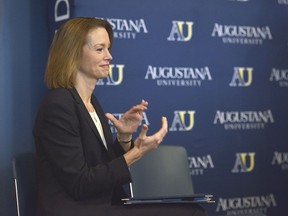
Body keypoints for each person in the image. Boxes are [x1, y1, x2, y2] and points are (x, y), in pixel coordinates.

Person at [33, 17, 207, 216]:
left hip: (102, 203)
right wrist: (136, 153)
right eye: (100, 49)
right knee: (192, 213)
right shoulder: (58, 105)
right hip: (74, 209)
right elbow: (80, 183)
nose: (109, 56)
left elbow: (101, 168)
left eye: (108, 48)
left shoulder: (91, 102)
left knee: (192, 209)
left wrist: (124, 138)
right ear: (72, 54)